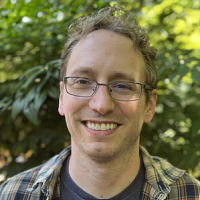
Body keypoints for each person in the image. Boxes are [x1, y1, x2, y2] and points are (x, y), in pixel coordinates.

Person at [0, 4, 200, 200]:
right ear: (62, 97)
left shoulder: (190, 194)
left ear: (149, 105)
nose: (101, 105)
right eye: (83, 82)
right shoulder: (13, 194)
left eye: (122, 86)